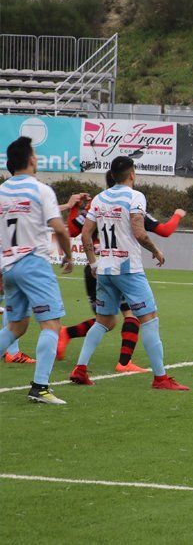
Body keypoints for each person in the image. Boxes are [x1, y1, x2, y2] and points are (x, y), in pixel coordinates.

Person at [69, 155, 188, 391]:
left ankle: (80, 368)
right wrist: (156, 250)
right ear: (132, 173)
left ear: (112, 176)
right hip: (128, 269)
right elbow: (139, 232)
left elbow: (84, 234)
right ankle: (160, 378)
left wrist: (93, 263)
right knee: (150, 319)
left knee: (103, 321)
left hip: (104, 268)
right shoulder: (135, 197)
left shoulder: (100, 198)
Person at [0, 136, 75, 404]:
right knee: (51, 324)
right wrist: (68, 255)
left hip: (9, 266)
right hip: (34, 263)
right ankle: (40, 387)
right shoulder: (41, 190)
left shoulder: (2, 191)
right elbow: (59, 228)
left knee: (17, 325)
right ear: (31, 159)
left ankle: (40, 387)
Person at [2, 191, 87, 365]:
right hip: (21, 258)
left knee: (11, 304)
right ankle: (35, 379)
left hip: (9, 257)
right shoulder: (33, 190)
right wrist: (69, 255)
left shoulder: (8, 194)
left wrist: (68, 206)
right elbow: (53, 220)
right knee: (49, 323)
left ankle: (12, 351)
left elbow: (45, 211)